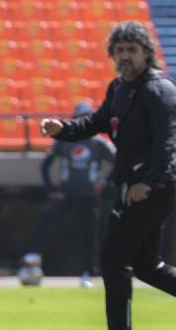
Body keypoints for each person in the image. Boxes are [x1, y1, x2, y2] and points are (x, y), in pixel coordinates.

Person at [40, 21, 176, 330]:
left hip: (151, 186)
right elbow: (97, 122)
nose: (125, 56)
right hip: (135, 184)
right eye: (120, 51)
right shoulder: (119, 88)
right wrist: (64, 129)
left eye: (132, 50)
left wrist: (148, 181)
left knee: (113, 259)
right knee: (147, 265)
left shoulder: (159, 91)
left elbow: (167, 145)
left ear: (147, 53)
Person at [29, 102, 115, 288]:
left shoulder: (99, 143)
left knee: (89, 235)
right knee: (47, 216)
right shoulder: (63, 140)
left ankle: (87, 272)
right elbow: (45, 165)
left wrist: (106, 183)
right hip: (66, 193)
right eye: (79, 117)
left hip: (89, 195)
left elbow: (118, 162)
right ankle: (34, 256)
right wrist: (51, 190)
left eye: (86, 117)